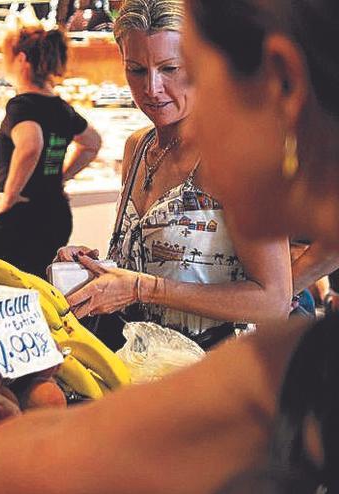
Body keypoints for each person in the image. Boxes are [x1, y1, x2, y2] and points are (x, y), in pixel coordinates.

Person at [0, 0, 338, 492]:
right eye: (138, 70)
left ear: (283, 84)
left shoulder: (296, 369)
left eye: (192, 75)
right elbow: (57, 448)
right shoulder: (304, 364)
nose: (157, 92)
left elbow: (57, 455)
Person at [55, 0, 291, 348]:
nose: (152, 88)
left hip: (213, 378)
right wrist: (101, 268)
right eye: (136, 70)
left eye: (170, 68)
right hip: (134, 367)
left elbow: (274, 300)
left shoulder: (238, 155)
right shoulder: (138, 147)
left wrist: (142, 288)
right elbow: (153, 259)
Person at [0, 26, 101, 276]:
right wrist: (61, 177)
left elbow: (31, 145)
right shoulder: (61, 107)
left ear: (21, 59)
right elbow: (92, 143)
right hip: (55, 213)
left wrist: (10, 195)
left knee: (8, 293)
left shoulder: (22, 104)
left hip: (21, 219)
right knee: (43, 289)